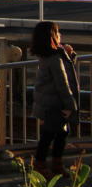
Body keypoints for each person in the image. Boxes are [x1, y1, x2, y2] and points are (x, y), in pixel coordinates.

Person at [31, 21, 79, 177]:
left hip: (48, 103)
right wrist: (70, 106)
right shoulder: (54, 59)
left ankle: (51, 165)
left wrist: (69, 55)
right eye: (57, 33)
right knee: (51, 136)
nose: (60, 36)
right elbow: (63, 83)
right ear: (52, 37)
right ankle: (42, 166)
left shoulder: (48, 55)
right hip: (54, 104)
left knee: (58, 134)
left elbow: (65, 72)